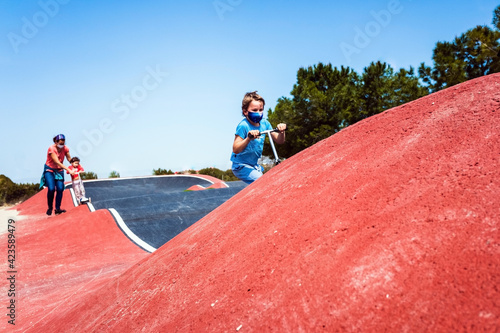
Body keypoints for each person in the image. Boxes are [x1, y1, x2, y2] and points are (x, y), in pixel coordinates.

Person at [231, 91, 286, 184]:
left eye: (261, 110)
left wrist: (282, 131)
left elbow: (280, 141)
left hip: (254, 165)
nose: (259, 113)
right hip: (241, 166)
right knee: (262, 182)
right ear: (245, 112)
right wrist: (248, 138)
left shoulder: (265, 123)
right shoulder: (243, 126)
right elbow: (235, 149)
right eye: (255, 110)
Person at [41, 134, 75, 215]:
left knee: (60, 188)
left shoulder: (65, 148)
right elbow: (57, 162)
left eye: (63, 143)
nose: (62, 145)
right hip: (50, 170)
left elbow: (69, 158)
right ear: (56, 142)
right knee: (51, 189)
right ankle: (50, 207)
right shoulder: (51, 148)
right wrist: (68, 169)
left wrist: (74, 163)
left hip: (59, 170)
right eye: (60, 143)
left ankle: (57, 209)